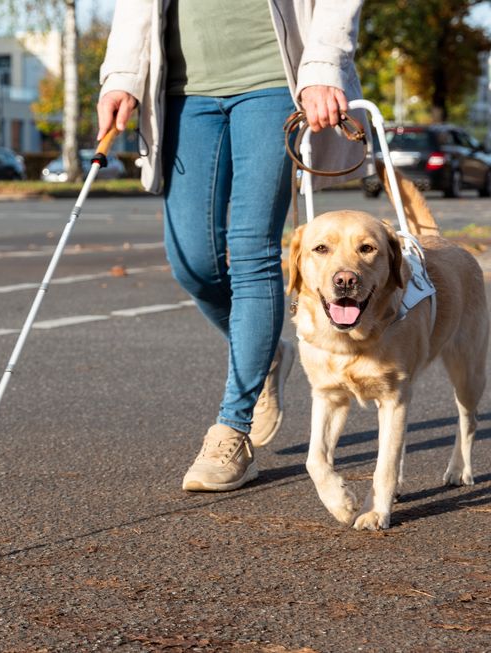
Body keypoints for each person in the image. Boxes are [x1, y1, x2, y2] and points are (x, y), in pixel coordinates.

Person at [97, 0, 370, 491]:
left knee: (252, 250)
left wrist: (326, 63)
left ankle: (232, 430)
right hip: (182, 91)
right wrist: (120, 76)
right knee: (192, 262)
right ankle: (263, 354)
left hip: (275, 79)